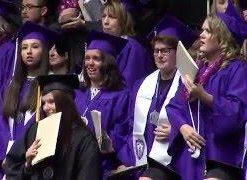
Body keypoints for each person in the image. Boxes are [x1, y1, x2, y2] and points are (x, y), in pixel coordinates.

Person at [166, 13, 247, 180]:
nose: (201, 35)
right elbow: (174, 106)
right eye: (202, 30)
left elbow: (236, 113)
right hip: (189, 156)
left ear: (222, 38)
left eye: (207, 31)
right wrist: (182, 127)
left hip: (220, 156)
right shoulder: (197, 69)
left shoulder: (237, 69)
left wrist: (205, 96)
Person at [0, 21, 55, 179]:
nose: (28, 52)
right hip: (8, 161)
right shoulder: (11, 85)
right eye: (24, 48)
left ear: (45, 51)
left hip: (36, 160)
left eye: (35, 47)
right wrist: (7, 155)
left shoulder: (51, 85)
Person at [130, 15, 197, 170]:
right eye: (156, 51)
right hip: (143, 160)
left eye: (165, 51)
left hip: (175, 162)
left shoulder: (189, 84)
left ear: (178, 52)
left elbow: (197, 125)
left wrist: (176, 133)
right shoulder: (141, 85)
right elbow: (130, 124)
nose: (159, 55)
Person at [4, 74, 101, 180]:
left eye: (51, 102)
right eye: (43, 103)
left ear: (65, 103)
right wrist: (27, 165)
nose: (46, 108)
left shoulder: (84, 139)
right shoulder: (35, 131)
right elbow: (11, 166)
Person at [75, 30, 132, 176]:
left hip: (102, 166)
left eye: (96, 59)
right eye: (87, 58)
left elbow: (124, 130)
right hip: (74, 164)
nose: (90, 63)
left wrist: (111, 142)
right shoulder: (78, 94)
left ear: (108, 64)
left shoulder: (121, 96)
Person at [102, 0, 154, 89]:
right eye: (103, 16)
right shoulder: (103, 46)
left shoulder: (134, 49)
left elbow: (130, 86)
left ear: (123, 21)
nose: (105, 22)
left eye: (111, 17)